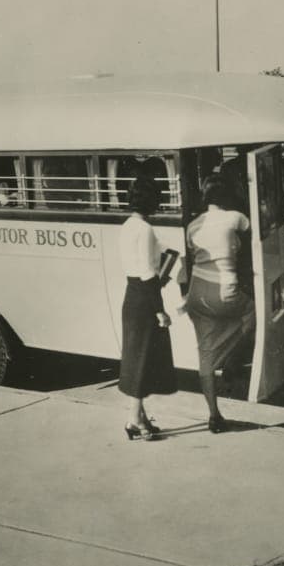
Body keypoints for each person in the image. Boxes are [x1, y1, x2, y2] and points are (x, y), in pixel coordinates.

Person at [184, 174, 256, 434]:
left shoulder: (193, 225)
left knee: (205, 354)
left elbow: (194, 255)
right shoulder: (236, 217)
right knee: (255, 314)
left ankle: (214, 415)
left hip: (197, 294)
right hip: (227, 292)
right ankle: (233, 361)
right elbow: (257, 236)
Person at [117, 176, 177, 441]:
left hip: (132, 296)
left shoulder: (128, 226)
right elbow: (147, 273)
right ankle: (133, 420)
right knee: (143, 360)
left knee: (138, 358)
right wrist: (160, 310)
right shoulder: (145, 229)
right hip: (144, 298)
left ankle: (139, 418)